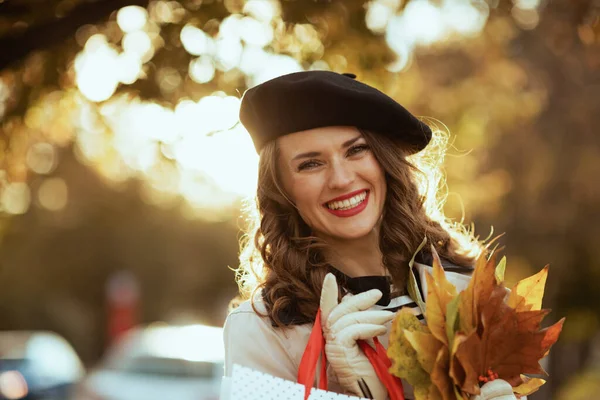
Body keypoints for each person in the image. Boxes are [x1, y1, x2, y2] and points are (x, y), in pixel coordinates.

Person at [222, 71, 516, 400]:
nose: (342, 179)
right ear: (281, 190)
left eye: (356, 150)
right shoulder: (263, 331)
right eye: (310, 164)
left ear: (384, 161)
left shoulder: (469, 286)